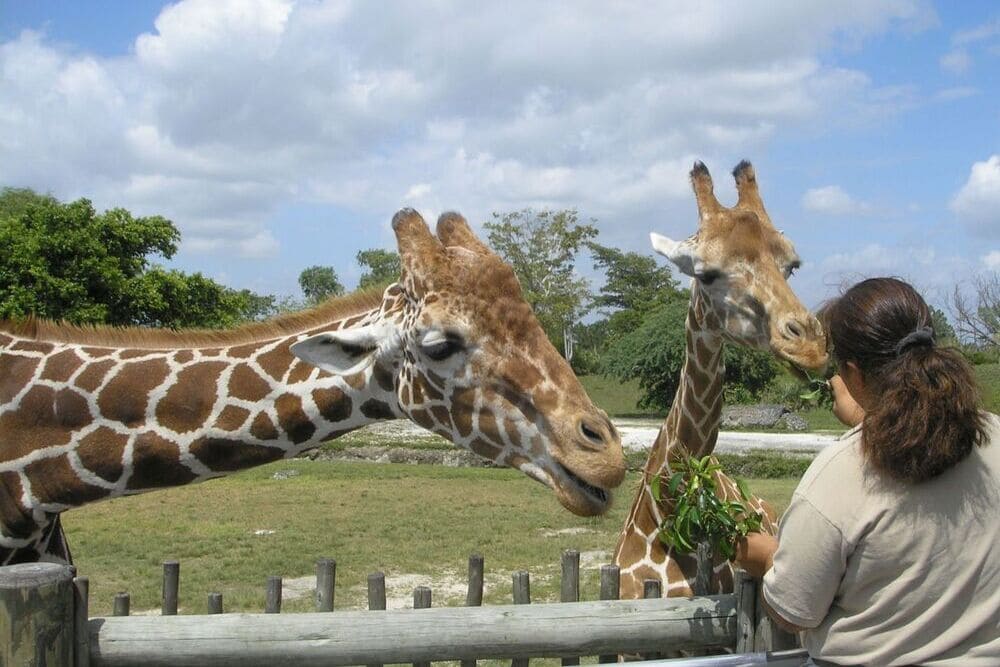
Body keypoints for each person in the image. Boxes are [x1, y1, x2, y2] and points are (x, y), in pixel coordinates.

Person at [736, 277, 1000, 666]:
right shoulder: (991, 433)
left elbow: (792, 612)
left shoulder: (838, 477)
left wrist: (765, 557)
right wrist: (864, 419)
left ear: (854, 374)